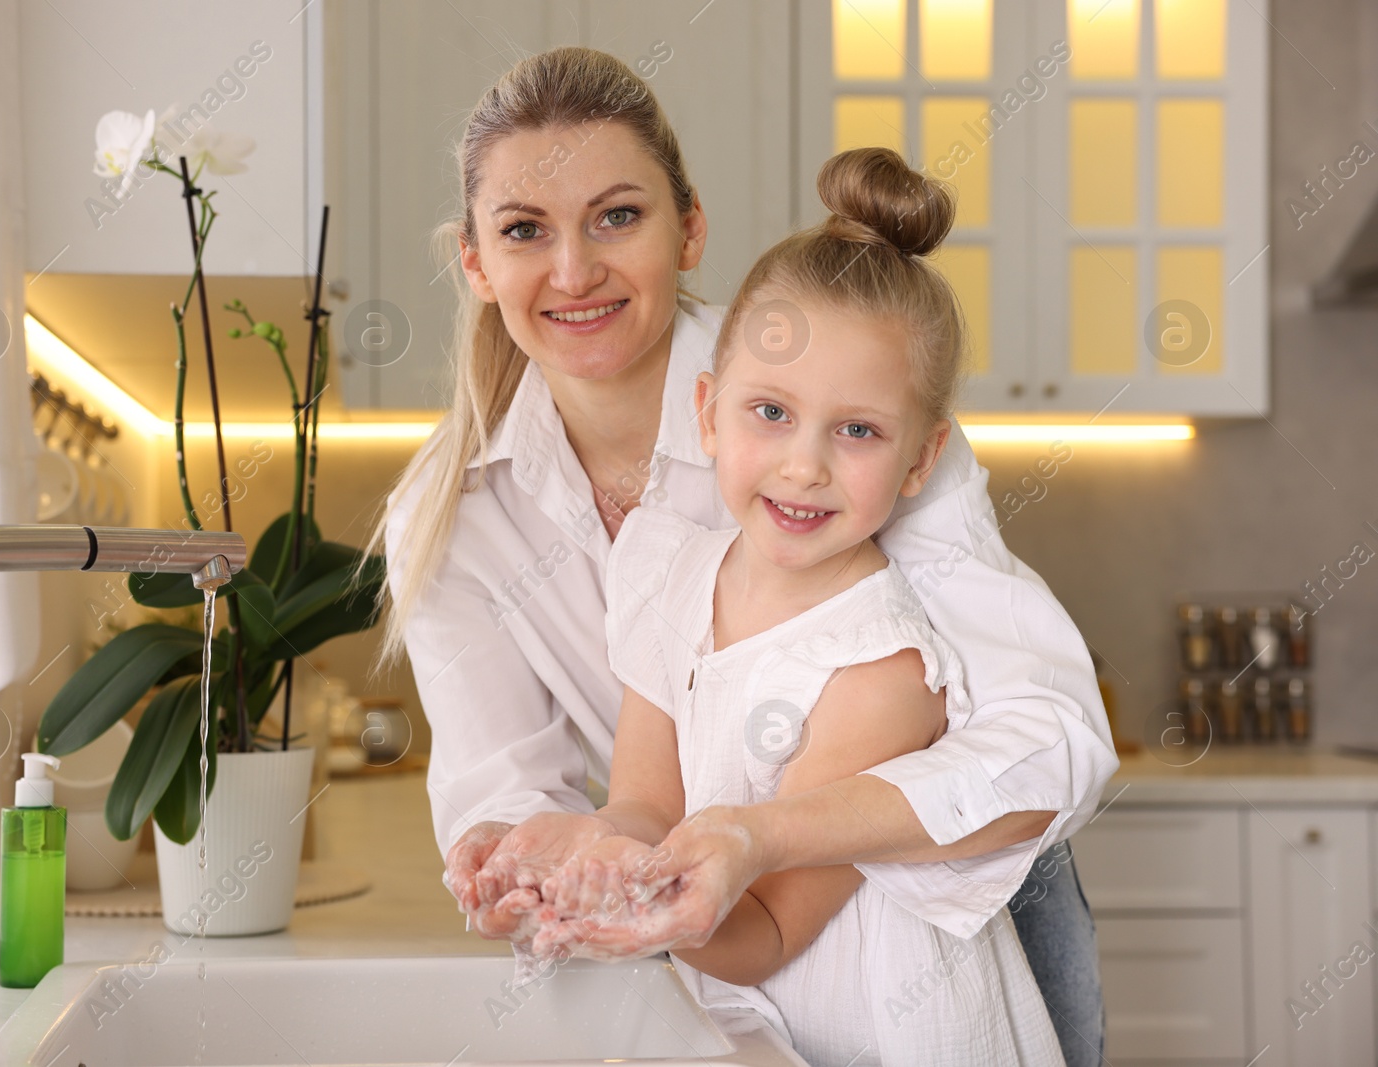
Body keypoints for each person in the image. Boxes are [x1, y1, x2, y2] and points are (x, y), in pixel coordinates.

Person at [376, 45, 1115, 1064]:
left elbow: (1052, 737)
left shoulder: (833, 373)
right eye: (522, 230)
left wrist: (757, 836)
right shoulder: (447, 512)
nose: (573, 269)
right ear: (476, 261)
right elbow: (523, 791)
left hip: (938, 930)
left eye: (617, 215)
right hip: (716, 947)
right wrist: (534, 860)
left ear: (688, 228)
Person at [519, 143, 1065, 1066]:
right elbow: (649, 802)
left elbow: (769, 929)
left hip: (887, 1032)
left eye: (857, 430)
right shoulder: (666, 575)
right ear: (707, 411)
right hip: (753, 1020)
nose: (804, 463)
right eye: (769, 411)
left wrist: (640, 912)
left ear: (921, 461)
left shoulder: (882, 666)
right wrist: (585, 852)